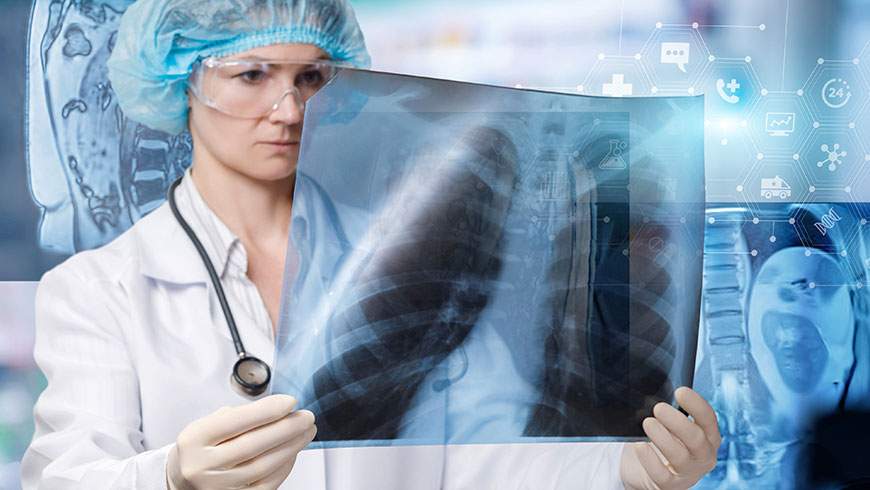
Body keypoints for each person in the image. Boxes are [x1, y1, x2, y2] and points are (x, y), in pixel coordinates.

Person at [21, 0, 721, 488]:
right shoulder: (99, 290)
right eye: (251, 75)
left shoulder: (418, 261)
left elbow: (488, 453)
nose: (289, 110)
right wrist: (171, 478)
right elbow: (67, 479)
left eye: (311, 77)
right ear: (181, 82)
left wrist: (625, 473)